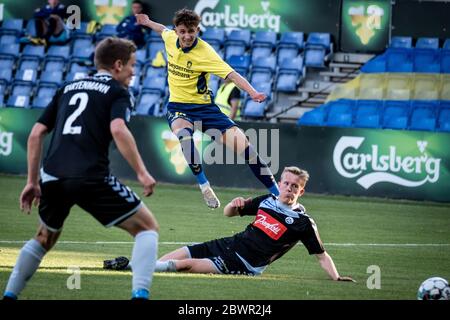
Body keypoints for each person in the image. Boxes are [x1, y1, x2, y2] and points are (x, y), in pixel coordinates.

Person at [2, 38, 159, 300]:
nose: (134, 71)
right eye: (132, 65)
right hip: (89, 177)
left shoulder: (67, 87)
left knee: (44, 238)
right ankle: (140, 296)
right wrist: (142, 172)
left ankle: (9, 295)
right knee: (147, 228)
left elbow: (36, 133)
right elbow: (118, 129)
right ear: (118, 65)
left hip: (51, 177)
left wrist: (33, 181)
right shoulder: (118, 92)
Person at [104, 167, 355, 282]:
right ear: (280, 182)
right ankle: (142, 270)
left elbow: (321, 256)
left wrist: (337, 277)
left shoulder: (302, 222)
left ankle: (132, 269)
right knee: (182, 252)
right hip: (229, 244)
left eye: (294, 187)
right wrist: (234, 205)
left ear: (302, 190)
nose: (288, 189)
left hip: (244, 263)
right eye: (285, 183)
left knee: (185, 265)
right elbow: (227, 214)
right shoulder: (267, 201)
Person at [135, 9, 280, 210]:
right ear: (176, 30)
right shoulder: (169, 38)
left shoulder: (206, 52)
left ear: (198, 30)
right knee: (184, 137)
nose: (187, 36)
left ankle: (279, 197)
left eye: (191, 31)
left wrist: (253, 92)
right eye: (183, 31)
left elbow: (232, 74)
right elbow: (161, 29)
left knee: (248, 151)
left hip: (205, 109)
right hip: (178, 107)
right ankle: (204, 185)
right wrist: (148, 21)